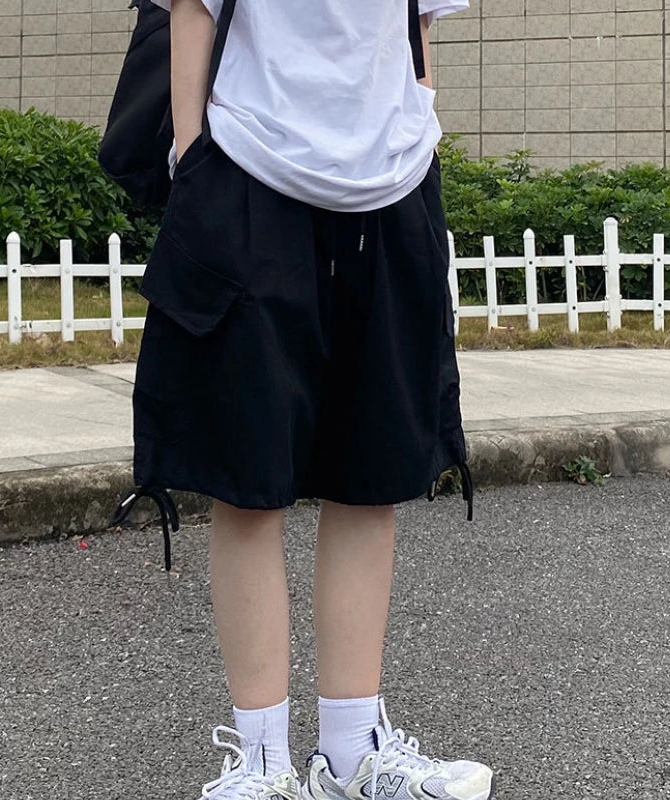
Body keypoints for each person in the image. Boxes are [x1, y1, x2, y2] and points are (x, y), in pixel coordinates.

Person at [132, 1, 494, 799]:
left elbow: (417, 23)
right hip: (249, 169)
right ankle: (261, 763)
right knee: (246, 478)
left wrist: (418, 126)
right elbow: (192, 8)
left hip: (393, 182)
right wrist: (193, 159)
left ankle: (353, 752)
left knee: (373, 473)